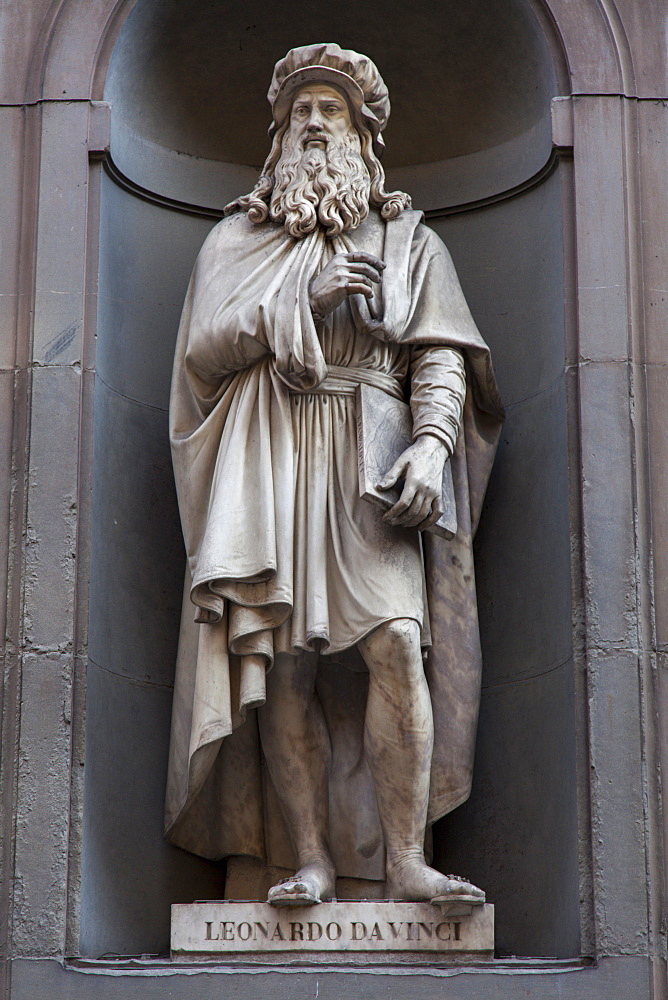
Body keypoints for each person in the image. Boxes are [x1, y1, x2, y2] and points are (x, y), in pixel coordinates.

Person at [165, 43, 503, 907]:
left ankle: (405, 860)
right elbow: (205, 346)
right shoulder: (237, 239)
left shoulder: (405, 237)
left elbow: (441, 354)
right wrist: (300, 303)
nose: (315, 126)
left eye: (333, 113)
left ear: (361, 137)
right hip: (273, 448)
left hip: (374, 449)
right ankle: (307, 857)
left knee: (396, 643)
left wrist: (431, 444)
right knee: (282, 662)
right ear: (277, 142)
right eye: (300, 115)